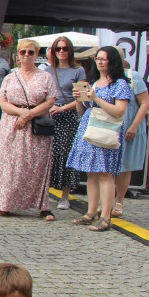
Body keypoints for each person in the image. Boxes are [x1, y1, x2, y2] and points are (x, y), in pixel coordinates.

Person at [0, 39, 58, 220]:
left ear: (36, 55)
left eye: (31, 52)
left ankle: (42, 205)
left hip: (36, 123)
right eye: (23, 52)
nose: (27, 56)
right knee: (10, 165)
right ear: (18, 55)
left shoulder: (45, 77)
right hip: (12, 123)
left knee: (35, 165)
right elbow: (3, 102)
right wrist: (20, 113)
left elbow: (51, 100)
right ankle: (4, 202)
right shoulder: (10, 77)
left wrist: (28, 115)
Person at [66, 46, 132, 232]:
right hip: (90, 128)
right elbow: (83, 111)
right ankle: (91, 212)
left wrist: (97, 99)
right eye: (98, 58)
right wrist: (79, 99)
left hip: (106, 130)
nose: (100, 61)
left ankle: (105, 216)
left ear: (112, 61)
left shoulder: (119, 84)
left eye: (104, 58)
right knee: (91, 173)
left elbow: (120, 111)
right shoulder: (95, 82)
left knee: (104, 173)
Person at [44, 35, 86, 210]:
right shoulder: (47, 71)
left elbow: (82, 98)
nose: (61, 52)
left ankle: (65, 195)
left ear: (70, 51)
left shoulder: (79, 71)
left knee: (65, 155)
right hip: (48, 114)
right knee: (47, 155)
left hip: (68, 116)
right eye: (58, 49)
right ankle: (44, 194)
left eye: (65, 48)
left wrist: (62, 108)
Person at [113, 63, 149, 218]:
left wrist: (134, 125)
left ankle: (119, 200)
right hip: (109, 127)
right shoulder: (104, 77)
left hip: (128, 126)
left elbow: (145, 103)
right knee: (105, 168)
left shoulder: (133, 76)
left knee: (125, 166)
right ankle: (106, 201)